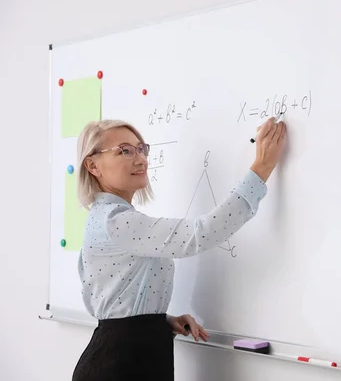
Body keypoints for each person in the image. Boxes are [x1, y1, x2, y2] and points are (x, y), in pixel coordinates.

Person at [71, 117, 286, 381]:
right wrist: (262, 167)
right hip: (121, 365)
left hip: (129, 355)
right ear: (93, 166)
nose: (140, 159)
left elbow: (111, 299)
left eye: (142, 149)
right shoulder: (116, 221)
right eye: (125, 151)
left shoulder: (103, 218)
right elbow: (201, 234)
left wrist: (158, 321)